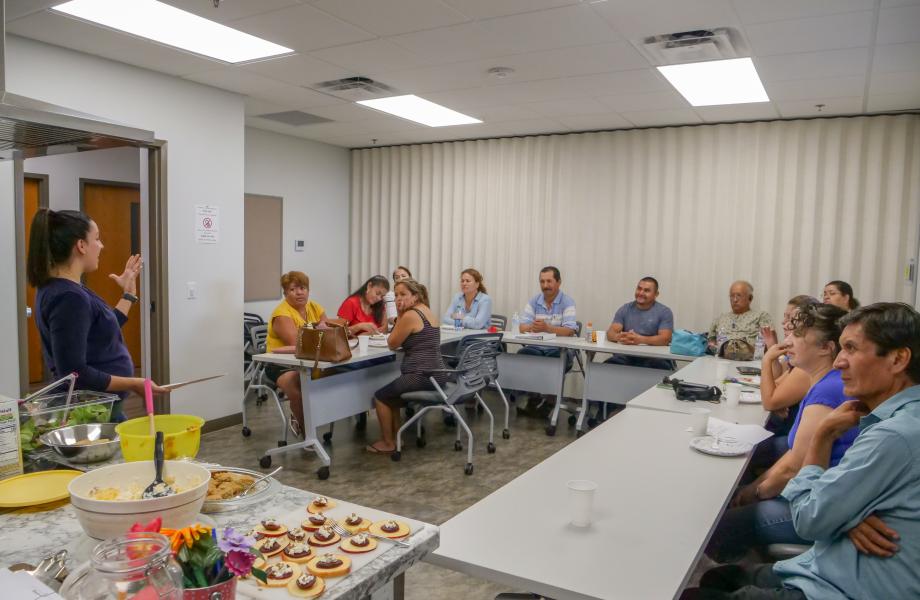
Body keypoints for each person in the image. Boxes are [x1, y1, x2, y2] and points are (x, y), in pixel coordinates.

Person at [688, 302, 920, 599]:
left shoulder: (892, 434)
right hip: (826, 564)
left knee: (698, 583)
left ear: (898, 359)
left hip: (836, 584)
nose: (840, 361)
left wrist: (823, 437)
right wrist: (846, 514)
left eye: (851, 349)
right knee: (718, 577)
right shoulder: (893, 417)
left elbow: (810, 518)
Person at [706, 304, 857, 563]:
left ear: (826, 348)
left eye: (798, 335)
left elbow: (794, 468)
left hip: (818, 508)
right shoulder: (823, 382)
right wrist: (753, 488)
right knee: (731, 497)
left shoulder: (827, 390)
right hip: (815, 495)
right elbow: (793, 455)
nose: (788, 341)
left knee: (717, 524)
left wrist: (754, 493)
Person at [27, 209, 166, 420]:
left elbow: (99, 331)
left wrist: (128, 295)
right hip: (90, 412)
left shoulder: (63, 289)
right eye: (97, 239)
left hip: (100, 407)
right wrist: (134, 383)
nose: (101, 246)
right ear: (81, 245)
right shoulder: (68, 297)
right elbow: (75, 373)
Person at [367, 279, 447, 453]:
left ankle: (388, 443)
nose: (398, 299)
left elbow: (392, 343)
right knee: (392, 398)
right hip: (437, 374)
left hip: (421, 375)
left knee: (380, 397)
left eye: (403, 294)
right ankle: (397, 439)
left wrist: (400, 315)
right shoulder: (426, 310)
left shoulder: (410, 315)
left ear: (415, 296)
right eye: (396, 295)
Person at [265, 271, 329, 436]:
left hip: (311, 359)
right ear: (285, 293)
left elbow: (329, 333)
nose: (299, 292)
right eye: (293, 289)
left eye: (302, 288)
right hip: (281, 364)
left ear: (308, 290)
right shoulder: (281, 314)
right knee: (297, 387)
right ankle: (308, 436)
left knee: (338, 376)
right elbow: (298, 344)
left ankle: (310, 418)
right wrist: (321, 332)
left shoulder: (315, 307)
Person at [516, 266, 577, 416]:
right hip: (537, 347)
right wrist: (533, 327)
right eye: (542, 281)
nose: (545, 285)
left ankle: (550, 403)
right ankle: (533, 398)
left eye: (549, 281)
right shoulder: (534, 301)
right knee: (523, 355)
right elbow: (522, 327)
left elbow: (570, 330)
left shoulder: (567, 302)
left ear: (559, 282)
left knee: (554, 362)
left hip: (560, 350)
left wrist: (547, 328)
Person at [759, 295, 820, 436]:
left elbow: (769, 401)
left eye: (793, 322)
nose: (785, 324)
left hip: (790, 436)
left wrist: (767, 360)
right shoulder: (801, 361)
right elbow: (775, 384)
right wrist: (777, 400)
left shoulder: (807, 368)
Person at [604, 276, 674, 370]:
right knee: (607, 366)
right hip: (627, 356)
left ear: (656, 294)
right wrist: (620, 337)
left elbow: (665, 339)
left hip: (654, 357)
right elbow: (610, 333)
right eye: (639, 289)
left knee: (659, 365)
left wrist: (640, 339)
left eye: (646, 290)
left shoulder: (664, 312)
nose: (641, 293)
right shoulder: (625, 309)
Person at [708, 281, 775, 359]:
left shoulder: (761, 316)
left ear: (750, 298)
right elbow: (711, 342)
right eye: (732, 296)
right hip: (722, 362)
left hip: (751, 362)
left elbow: (772, 345)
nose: (735, 300)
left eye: (739, 295)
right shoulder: (720, 318)